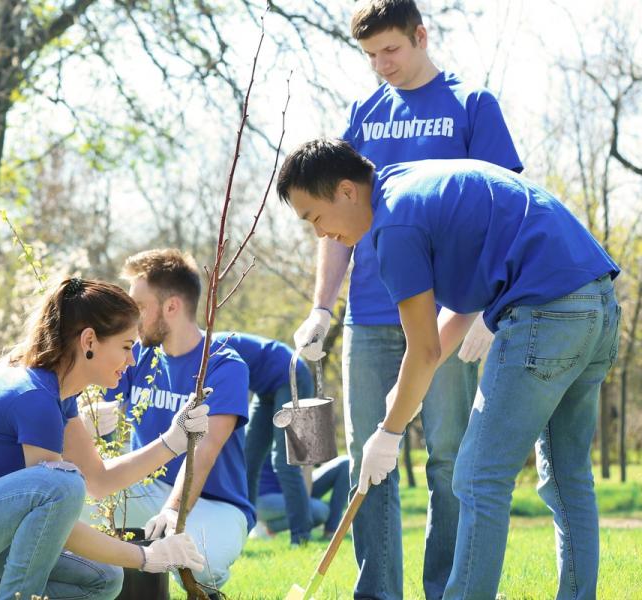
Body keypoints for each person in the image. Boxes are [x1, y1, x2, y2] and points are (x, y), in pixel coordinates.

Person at [278, 138, 620, 600]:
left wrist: (389, 433)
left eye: (314, 217)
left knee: (478, 477)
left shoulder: (394, 225)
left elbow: (423, 352)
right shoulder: (408, 186)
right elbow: (457, 312)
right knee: (566, 476)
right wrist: (402, 398)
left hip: (545, 313)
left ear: (345, 191)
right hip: (595, 303)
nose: (320, 234)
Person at [289, 2, 523, 597]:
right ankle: (378, 592)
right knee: (369, 458)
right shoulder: (364, 113)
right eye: (369, 56)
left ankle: (445, 587)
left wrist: (486, 310)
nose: (381, 65)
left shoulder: (474, 105)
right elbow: (336, 213)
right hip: (370, 313)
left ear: (421, 36)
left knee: (448, 457)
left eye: (390, 49)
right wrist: (323, 305)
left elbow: (504, 206)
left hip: (447, 310)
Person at [0, 277, 210, 600]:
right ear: (89, 341)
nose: (132, 360)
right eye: (126, 346)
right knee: (63, 483)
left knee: (104, 578)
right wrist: (147, 557)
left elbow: (99, 480)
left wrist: (173, 441)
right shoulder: (34, 397)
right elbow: (58, 511)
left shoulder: (59, 396)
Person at [105, 249, 253, 593]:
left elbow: (203, 450)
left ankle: (202, 585)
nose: (131, 317)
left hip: (214, 502)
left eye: (139, 307)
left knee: (204, 562)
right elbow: (97, 416)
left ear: (171, 307)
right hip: (146, 488)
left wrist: (173, 513)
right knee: (73, 500)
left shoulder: (222, 365)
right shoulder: (136, 354)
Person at [212, 332, 319, 546]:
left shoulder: (213, 349)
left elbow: (230, 398)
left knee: (284, 461)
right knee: (248, 461)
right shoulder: (198, 354)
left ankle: (301, 537)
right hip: (266, 390)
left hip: (292, 377)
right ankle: (243, 532)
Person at [254, 456, 350, 540]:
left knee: (345, 463)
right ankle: (267, 526)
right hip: (265, 498)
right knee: (320, 510)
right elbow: (302, 494)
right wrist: (307, 462)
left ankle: (331, 532)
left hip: (294, 488)